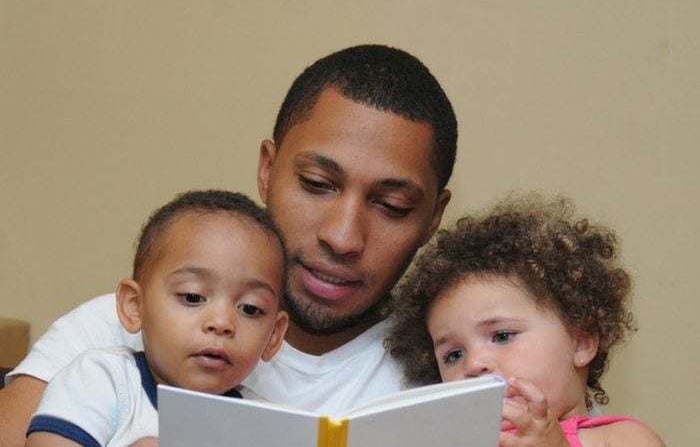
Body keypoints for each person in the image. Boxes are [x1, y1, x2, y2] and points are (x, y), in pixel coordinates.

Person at [0, 44, 457, 446]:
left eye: (392, 205)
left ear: (433, 217)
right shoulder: (114, 334)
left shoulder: (453, 368)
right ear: (267, 170)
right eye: (317, 183)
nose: (342, 237)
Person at [388, 193, 665, 446]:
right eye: (453, 355)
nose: (473, 364)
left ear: (581, 342)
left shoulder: (621, 439)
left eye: (502, 336)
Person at [24, 190, 289, 446]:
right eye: (192, 297)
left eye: (250, 309)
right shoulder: (103, 381)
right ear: (134, 306)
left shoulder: (265, 425)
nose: (221, 323)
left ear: (274, 337)